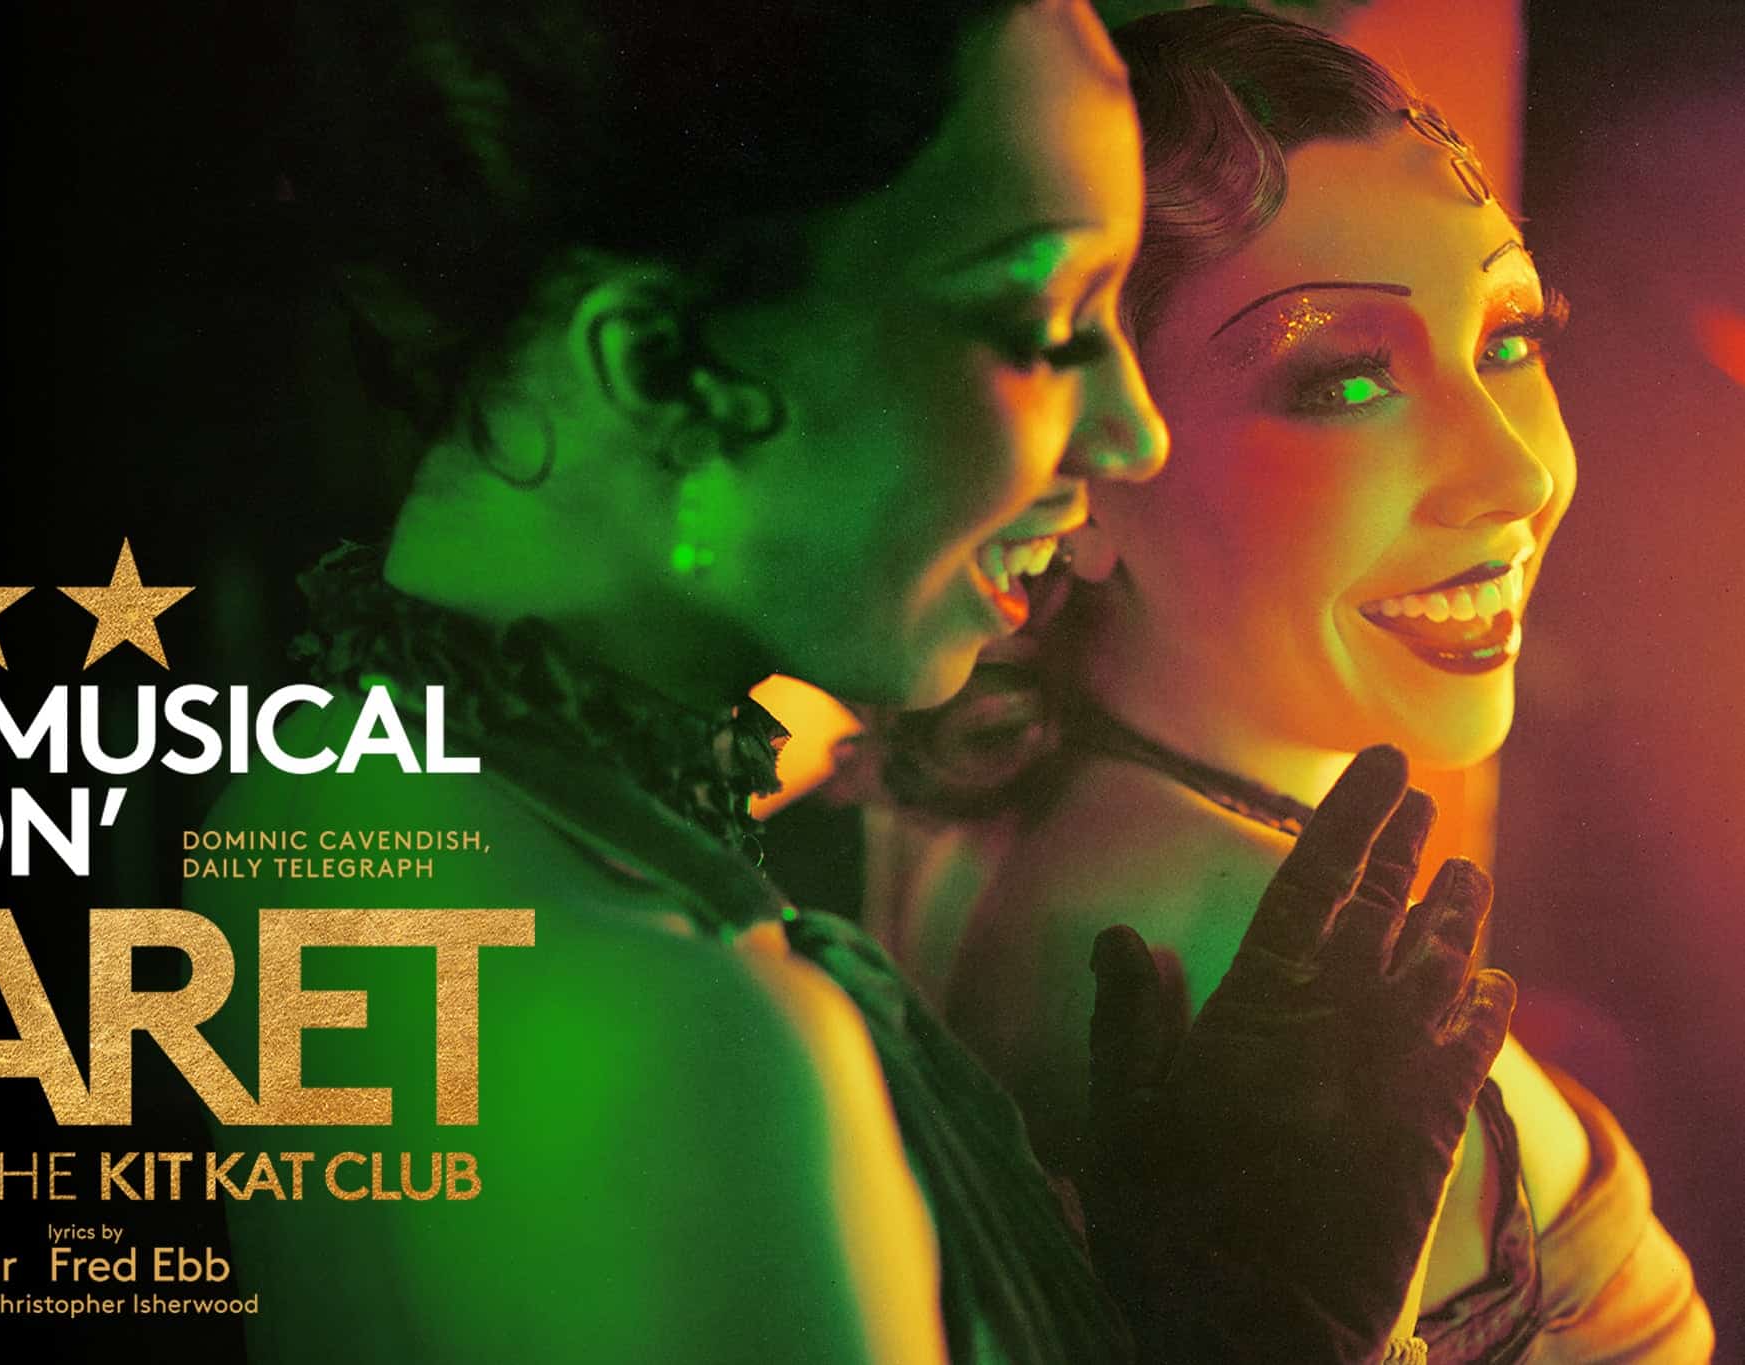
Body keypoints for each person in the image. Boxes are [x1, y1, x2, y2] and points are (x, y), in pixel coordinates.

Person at [186, 2, 1515, 1360]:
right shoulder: (698, 1041)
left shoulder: (322, 803)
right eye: (1039, 320)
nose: (1130, 434)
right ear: (653, 361)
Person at [843, 10, 1714, 1361]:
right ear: (1084, 463)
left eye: (1508, 336)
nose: (1517, 473)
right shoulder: (1278, 990)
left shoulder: (1018, 812)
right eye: (1346, 382)